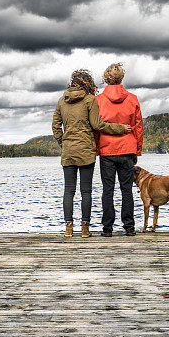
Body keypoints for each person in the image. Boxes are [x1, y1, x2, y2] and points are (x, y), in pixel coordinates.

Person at [52, 69, 131, 238]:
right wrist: (120, 128)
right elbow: (97, 125)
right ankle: (85, 229)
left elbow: (56, 127)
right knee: (86, 191)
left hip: (68, 152)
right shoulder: (89, 100)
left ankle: (68, 228)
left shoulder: (61, 101)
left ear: (72, 83)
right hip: (86, 151)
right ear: (87, 83)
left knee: (69, 191)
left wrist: (64, 143)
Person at [95, 63, 143, 237]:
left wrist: (97, 148)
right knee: (126, 190)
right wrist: (137, 150)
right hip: (127, 148)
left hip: (107, 150)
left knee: (108, 189)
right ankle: (129, 227)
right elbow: (138, 127)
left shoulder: (99, 100)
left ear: (106, 78)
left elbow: (96, 127)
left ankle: (107, 229)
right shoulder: (133, 99)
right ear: (121, 77)